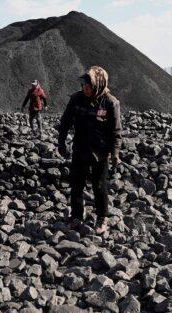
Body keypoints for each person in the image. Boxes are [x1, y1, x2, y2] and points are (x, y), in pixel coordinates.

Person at [57, 66, 123, 235]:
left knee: (99, 185)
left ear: (98, 85)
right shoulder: (76, 99)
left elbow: (116, 132)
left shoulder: (110, 103)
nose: (84, 87)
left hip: (100, 153)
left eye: (88, 85)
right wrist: (61, 142)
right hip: (80, 148)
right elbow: (65, 122)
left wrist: (115, 153)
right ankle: (77, 215)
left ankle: (102, 217)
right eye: (83, 84)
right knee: (76, 184)